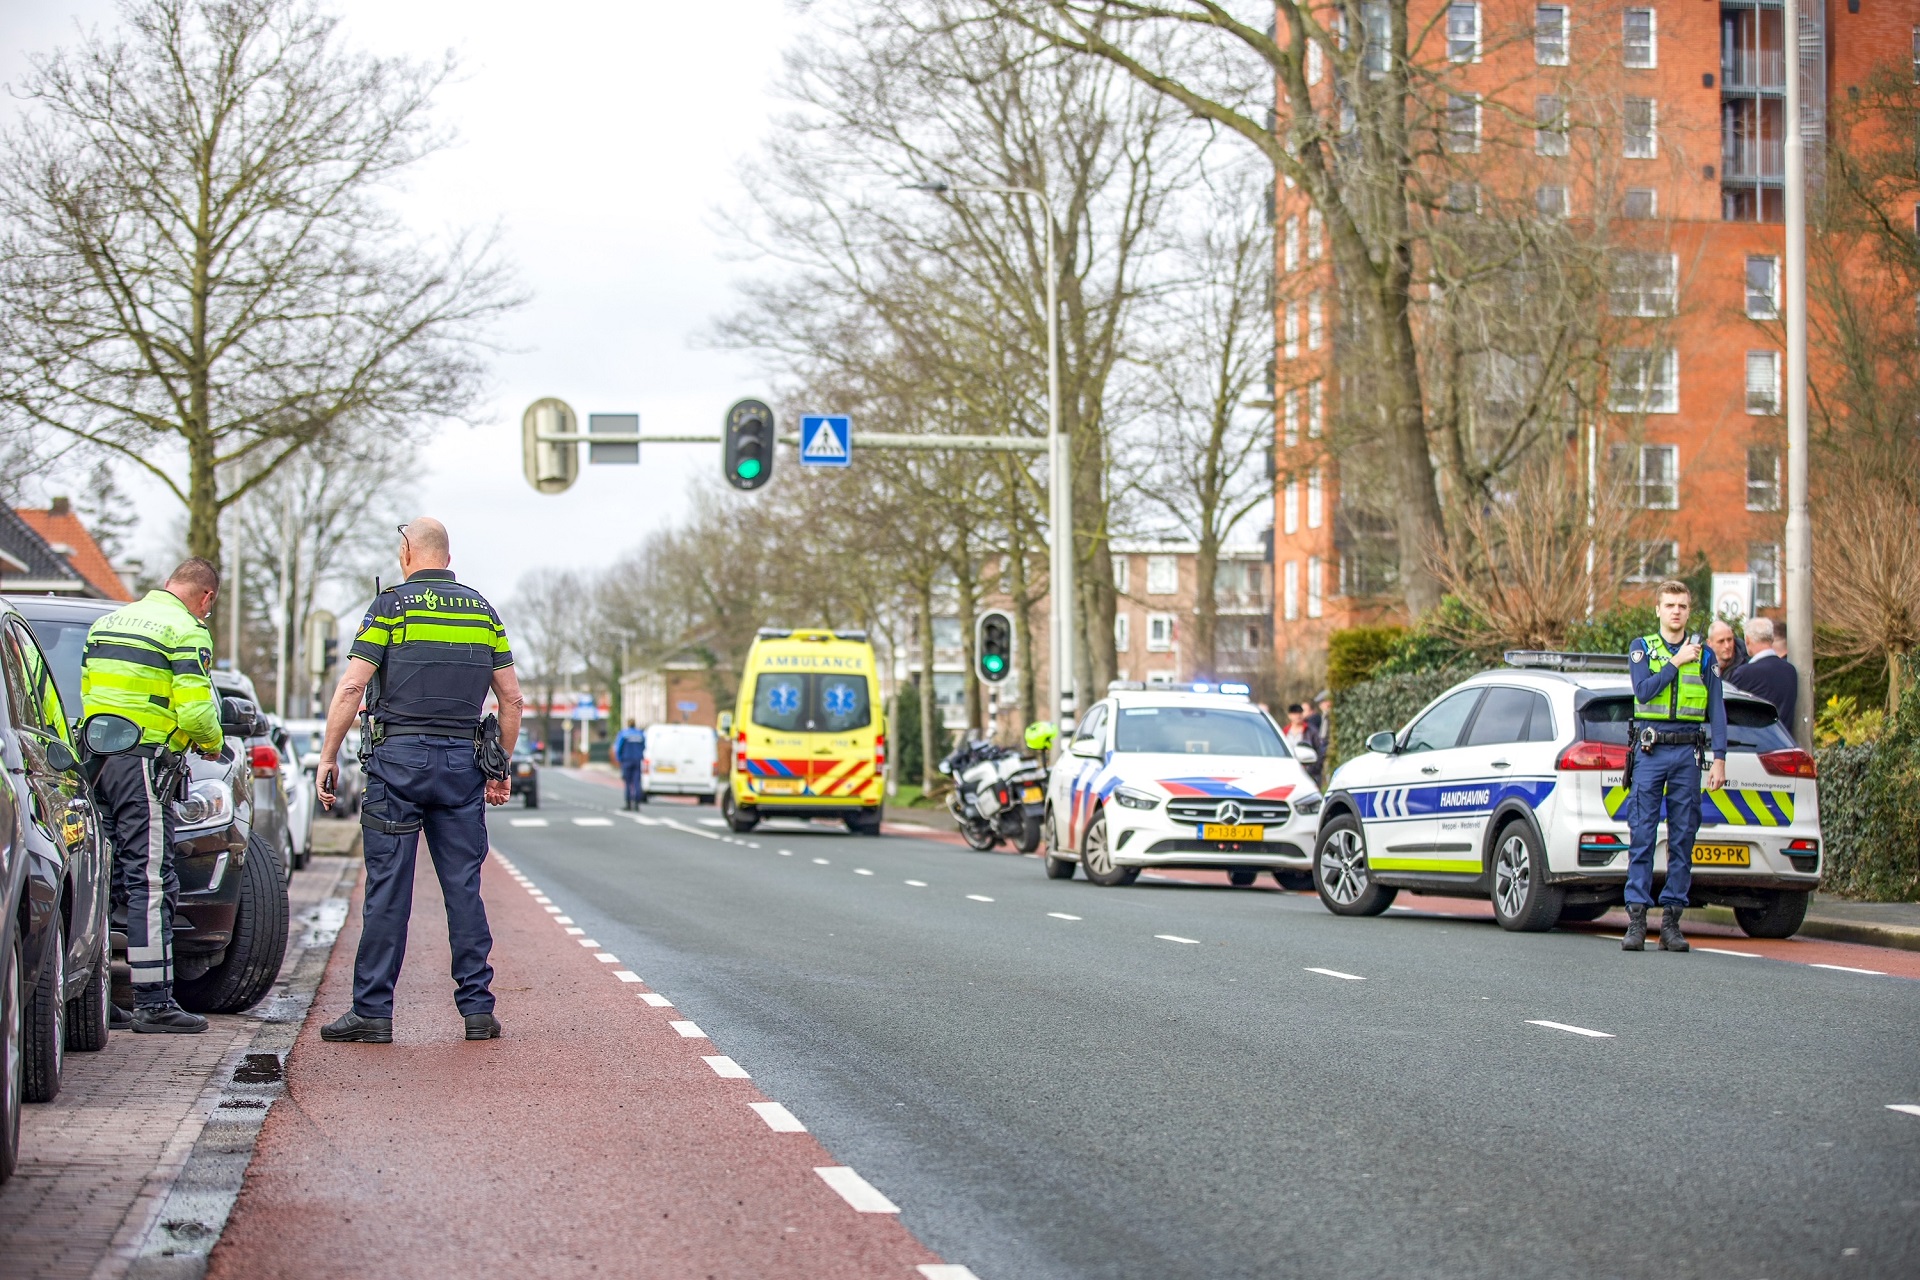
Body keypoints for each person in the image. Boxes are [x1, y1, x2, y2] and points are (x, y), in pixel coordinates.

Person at [314, 518, 523, 1044]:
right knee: (464, 889)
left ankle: (373, 1014)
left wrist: (327, 755)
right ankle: (478, 1011)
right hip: (461, 766)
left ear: (408, 553)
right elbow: (512, 700)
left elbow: (351, 688)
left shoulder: (389, 607)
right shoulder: (483, 611)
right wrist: (499, 768)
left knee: (388, 891)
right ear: (446, 558)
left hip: (397, 763)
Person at [80, 558, 227, 1033]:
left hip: (95, 760)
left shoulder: (106, 624)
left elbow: (88, 692)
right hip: (142, 761)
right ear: (206, 598)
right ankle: (154, 1002)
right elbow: (195, 712)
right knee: (150, 879)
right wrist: (213, 743)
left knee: (100, 877)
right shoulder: (186, 631)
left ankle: (96, 998)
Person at [1623, 580, 1729, 953]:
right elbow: (1643, 691)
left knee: (1683, 838)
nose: (1676, 611)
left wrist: (1720, 758)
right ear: (1658, 610)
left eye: (1682, 606)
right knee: (1643, 836)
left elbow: (1717, 709)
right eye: (1669, 605)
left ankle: (1671, 923)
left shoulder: (1704, 656)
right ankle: (1636, 922)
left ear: (1688, 610)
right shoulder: (1642, 648)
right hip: (1651, 754)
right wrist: (1674, 662)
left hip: (1687, 754)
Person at [1729, 616, 1797, 727]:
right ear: (1771, 639)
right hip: (1784, 741)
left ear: (1747, 640)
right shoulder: (1791, 671)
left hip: (1753, 742)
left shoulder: (1744, 674)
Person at [613, 719, 648, 809]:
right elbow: (644, 746)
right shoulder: (640, 734)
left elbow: (618, 748)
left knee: (628, 782)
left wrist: (619, 759)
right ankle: (636, 803)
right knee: (636, 782)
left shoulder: (624, 734)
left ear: (628, 724)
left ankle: (628, 803)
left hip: (627, 760)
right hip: (637, 760)